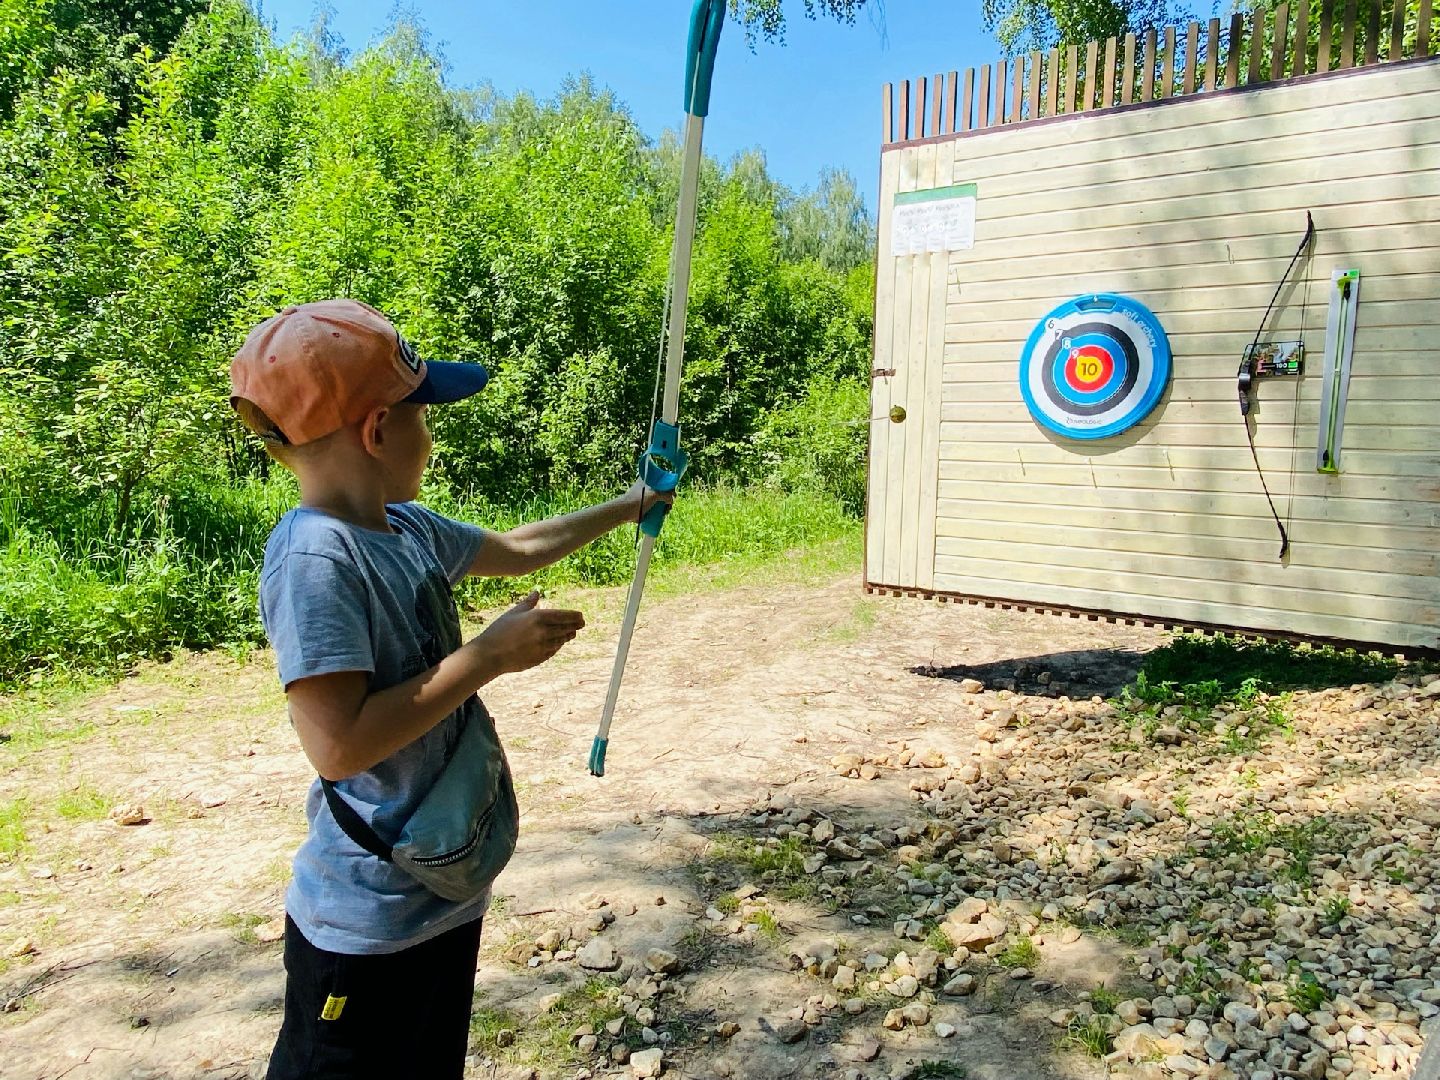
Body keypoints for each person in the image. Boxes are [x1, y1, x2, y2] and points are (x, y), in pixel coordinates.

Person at [228, 299, 670, 1079]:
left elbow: (522, 548)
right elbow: (338, 746)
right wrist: (487, 657)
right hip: (366, 922)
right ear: (375, 431)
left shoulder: (408, 527)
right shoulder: (315, 560)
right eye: (423, 418)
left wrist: (634, 504)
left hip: (438, 900)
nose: (430, 439)